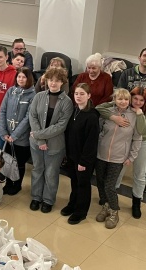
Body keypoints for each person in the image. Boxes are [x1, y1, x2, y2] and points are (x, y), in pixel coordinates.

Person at [96, 87, 146, 219]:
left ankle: (114, 210)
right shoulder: (108, 112)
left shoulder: (134, 116)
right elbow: (99, 108)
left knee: (110, 185)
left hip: (119, 157)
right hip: (102, 153)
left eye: (125, 99)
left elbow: (138, 137)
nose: (123, 101)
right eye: (120, 99)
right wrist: (114, 111)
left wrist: (132, 156)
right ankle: (106, 205)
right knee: (100, 181)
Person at [29, 67, 73, 213]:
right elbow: (32, 117)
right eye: (51, 80)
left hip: (55, 145)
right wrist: (40, 141)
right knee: (37, 170)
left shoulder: (67, 102)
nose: (53, 83)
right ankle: (36, 197)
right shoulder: (39, 96)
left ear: (62, 82)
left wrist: (38, 136)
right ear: (46, 80)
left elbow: (60, 126)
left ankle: (48, 200)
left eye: (57, 80)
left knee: (51, 173)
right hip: (36, 144)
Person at [61, 83, 100, 225]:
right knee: (74, 182)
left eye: (82, 94)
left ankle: (80, 212)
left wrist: (83, 162)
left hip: (84, 159)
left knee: (83, 185)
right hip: (72, 156)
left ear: (89, 96)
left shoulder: (92, 116)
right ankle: (72, 204)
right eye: (76, 93)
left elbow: (91, 142)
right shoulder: (74, 110)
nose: (78, 96)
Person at [0, 67, 36, 196]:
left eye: (24, 77)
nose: (21, 79)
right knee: (8, 161)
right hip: (7, 135)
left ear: (28, 78)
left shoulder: (33, 95)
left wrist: (15, 135)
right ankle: (8, 183)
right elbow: (2, 110)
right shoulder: (10, 91)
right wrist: (4, 132)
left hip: (21, 137)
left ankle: (17, 184)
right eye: (19, 77)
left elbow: (28, 118)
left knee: (19, 162)